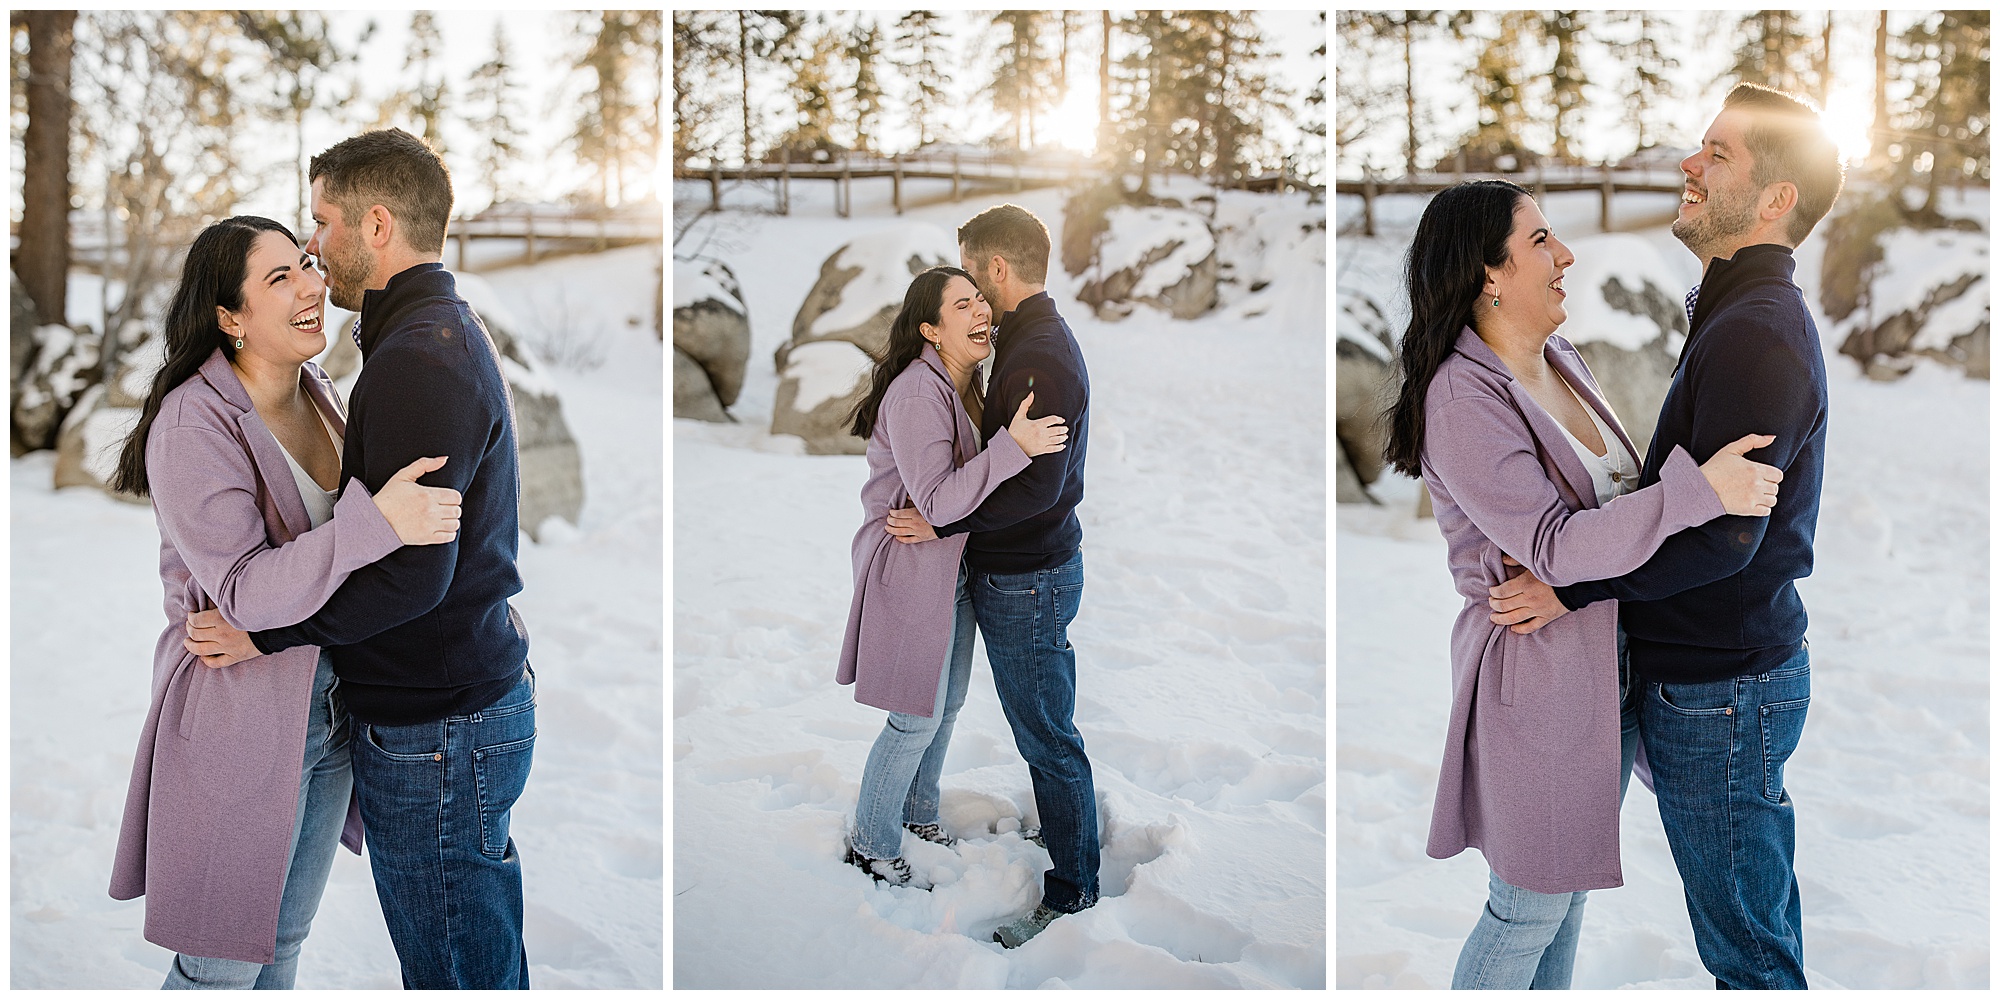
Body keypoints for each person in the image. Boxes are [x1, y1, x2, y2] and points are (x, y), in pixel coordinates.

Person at [1381, 179, 1785, 989]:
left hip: (1609, 672)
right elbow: (1555, 546)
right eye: (1540, 241)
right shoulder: (1462, 396)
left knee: (1562, 901)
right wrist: (1698, 492)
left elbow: (1612, 509)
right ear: (1487, 273)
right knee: (1525, 906)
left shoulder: (1558, 358)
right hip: (1537, 679)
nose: (1565, 255)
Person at [1484, 84, 1841, 990]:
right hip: (1710, 677)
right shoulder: (1733, 314)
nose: (1690, 163)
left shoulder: (1759, 333)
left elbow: (1723, 538)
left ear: (1774, 201)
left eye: (1718, 154)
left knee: (1749, 956)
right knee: (1749, 933)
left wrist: (1572, 586)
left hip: (1725, 688)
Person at [178, 129, 539, 989]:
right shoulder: (423, 335)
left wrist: (266, 638)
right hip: (445, 709)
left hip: (438, 722)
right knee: (464, 952)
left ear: (376, 225)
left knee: (455, 969)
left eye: (322, 222)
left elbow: (416, 572)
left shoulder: (418, 356)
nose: (313, 246)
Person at [107, 215, 462, 989]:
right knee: (218, 963)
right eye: (279, 279)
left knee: (282, 944)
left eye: (305, 263)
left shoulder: (319, 389)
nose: (310, 285)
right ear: (230, 318)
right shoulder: (191, 424)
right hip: (239, 716)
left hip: (332, 708)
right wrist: (375, 525)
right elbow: (241, 591)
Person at [884, 204, 1095, 948]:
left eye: (973, 273)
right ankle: (1068, 848)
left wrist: (945, 521)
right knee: (1033, 726)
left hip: (1029, 578)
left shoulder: (1038, 355)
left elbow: (1040, 484)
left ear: (996, 268)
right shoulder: (1023, 340)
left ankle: (1073, 887)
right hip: (1018, 570)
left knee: (1045, 735)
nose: (970, 289)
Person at [837, 266, 1068, 890]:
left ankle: (917, 812)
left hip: (951, 566)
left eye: (980, 300)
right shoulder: (918, 393)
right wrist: (1013, 446)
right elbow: (937, 503)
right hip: (907, 566)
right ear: (931, 330)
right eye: (962, 304)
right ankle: (872, 841)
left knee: (948, 704)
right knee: (913, 715)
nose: (979, 311)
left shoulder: (968, 382)